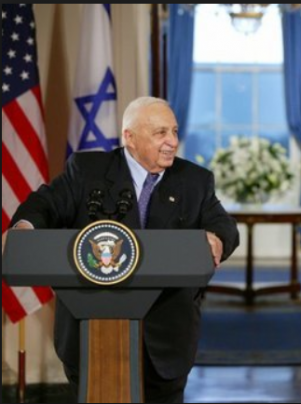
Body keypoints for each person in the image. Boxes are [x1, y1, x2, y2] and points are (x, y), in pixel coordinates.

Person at [8, 96, 240, 402]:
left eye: (174, 131)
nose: (172, 141)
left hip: (166, 338)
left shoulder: (195, 180)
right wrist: (26, 228)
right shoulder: (87, 170)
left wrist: (217, 237)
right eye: (160, 133)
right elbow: (44, 204)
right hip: (90, 334)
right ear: (129, 137)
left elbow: (225, 226)